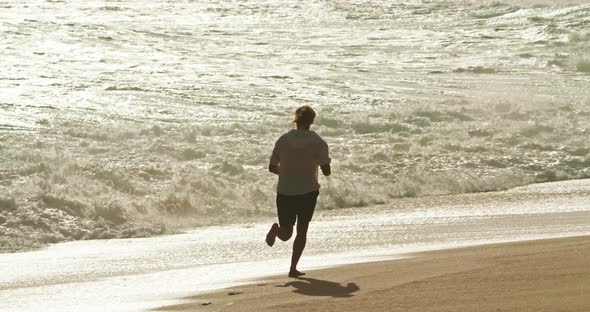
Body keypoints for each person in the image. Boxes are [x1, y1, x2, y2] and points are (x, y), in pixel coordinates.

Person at [265, 105, 331, 278]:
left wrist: (288, 173)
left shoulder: (283, 140)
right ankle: (293, 269)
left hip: (285, 190)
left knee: (286, 234)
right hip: (307, 191)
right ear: (311, 121)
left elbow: (272, 167)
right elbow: (326, 171)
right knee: (302, 231)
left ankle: (276, 230)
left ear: (296, 119)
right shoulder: (318, 142)